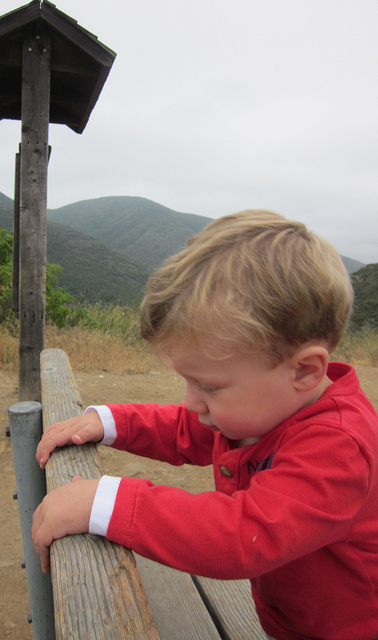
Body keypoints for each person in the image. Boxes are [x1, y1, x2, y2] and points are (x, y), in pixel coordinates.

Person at [32, 210, 378, 640]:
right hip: (289, 620)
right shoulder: (269, 407)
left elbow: (244, 535)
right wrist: (109, 421)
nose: (192, 401)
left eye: (210, 387)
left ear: (304, 370)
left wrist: (107, 503)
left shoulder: (339, 447)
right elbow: (184, 429)